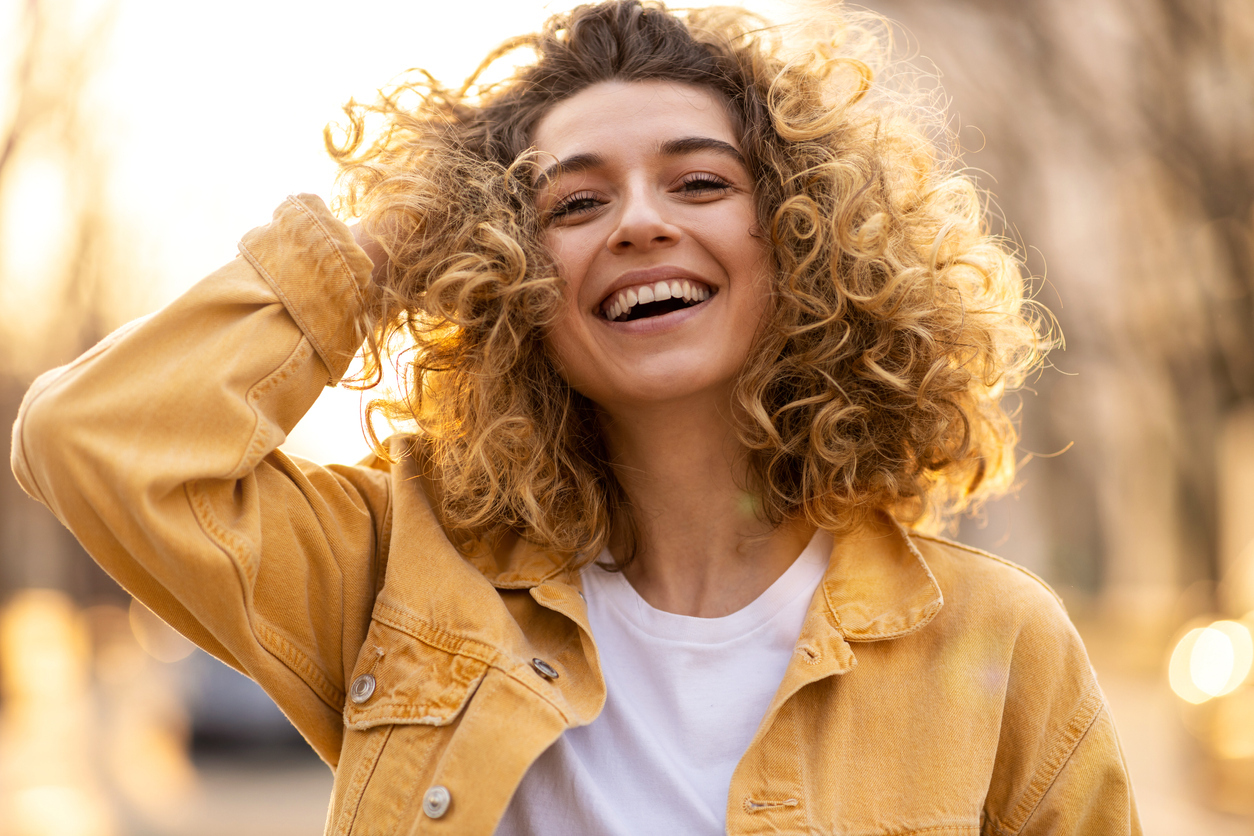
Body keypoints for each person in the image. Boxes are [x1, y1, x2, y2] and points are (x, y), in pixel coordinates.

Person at [10, 1, 1140, 833]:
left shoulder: (995, 637)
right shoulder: (403, 573)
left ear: (804, 242)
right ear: (511, 269)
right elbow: (91, 439)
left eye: (700, 183)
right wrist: (390, 242)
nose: (641, 222)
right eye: (575, 203)